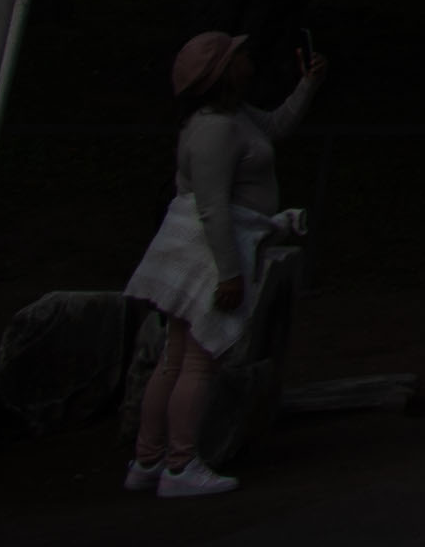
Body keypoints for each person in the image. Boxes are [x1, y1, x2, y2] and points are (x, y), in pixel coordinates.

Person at [119, 28, 319, 498]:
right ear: (223, 73)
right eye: (238, 56)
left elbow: (274, 128)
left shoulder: (234, 117)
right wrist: (229, 272)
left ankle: (149, 460)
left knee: (175, 360)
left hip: (208, 245)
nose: (248, 59)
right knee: (195, 362)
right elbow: (211, 206)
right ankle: (180, 464)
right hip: (206, 250)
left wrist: (307, 85)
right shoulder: (214, 129)